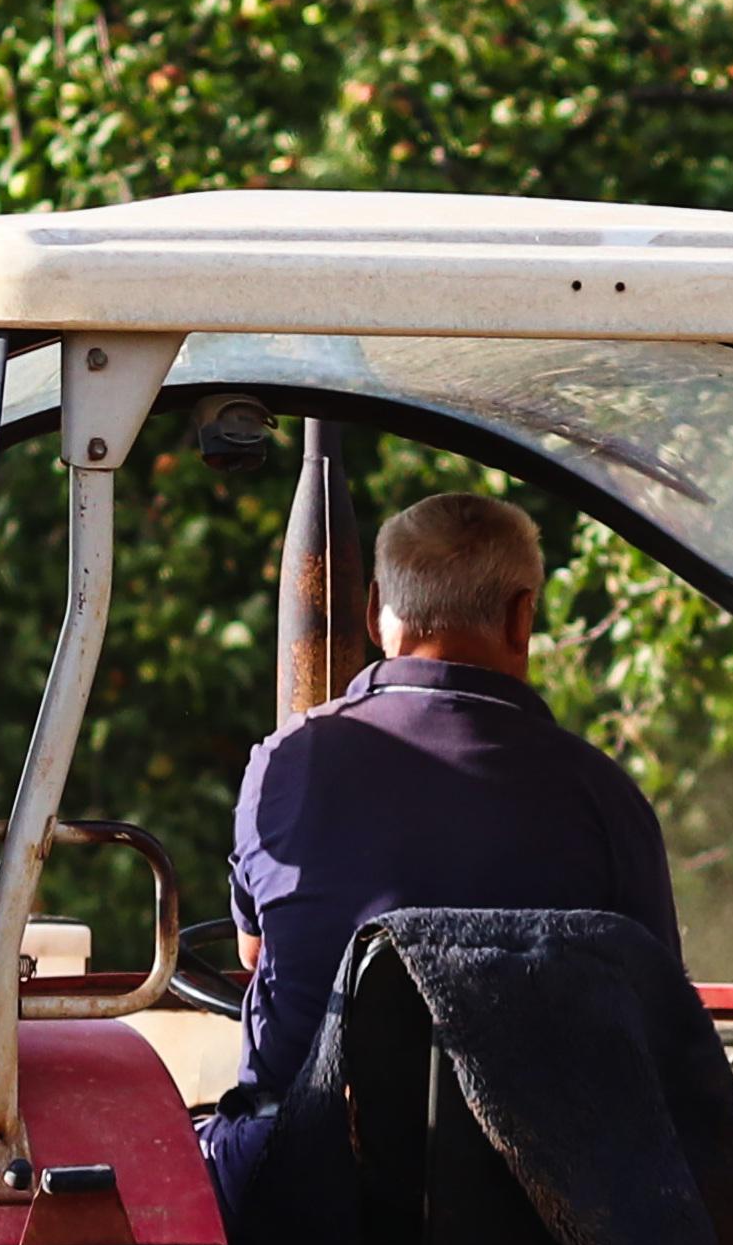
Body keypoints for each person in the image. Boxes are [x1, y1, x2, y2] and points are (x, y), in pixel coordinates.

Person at [202, 489, 683, 1166]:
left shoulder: (281, 766)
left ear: (373, 611)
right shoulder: (607, 798)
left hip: (303, 1202)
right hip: (531, 1224)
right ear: (524, 619)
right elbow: (662, 1028)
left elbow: (257, 958)